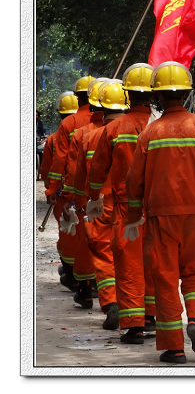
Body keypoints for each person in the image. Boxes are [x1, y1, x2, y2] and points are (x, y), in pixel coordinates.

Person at [125, 61, 195, 364]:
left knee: (165, 279)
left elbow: (134, 181)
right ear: (187, 94)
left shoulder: (150, 133)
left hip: (161, 219)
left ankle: (174, 348)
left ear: (157, 97)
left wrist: (133, 215)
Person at [88, 63, 157, 344]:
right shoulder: (160, 125)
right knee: (154, 263)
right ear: (153, 95)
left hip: (126, 210)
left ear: (127, 94)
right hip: (157, 209)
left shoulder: (115, 128)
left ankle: (133, 326)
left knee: (128, 267)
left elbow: (97, 171)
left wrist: (93, 198)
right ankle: (152, 316)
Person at [61, 78, 118, 323]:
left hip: (94, 204)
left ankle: (105, 299)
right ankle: (143, 315)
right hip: (129, 205)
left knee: (99, 253)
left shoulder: (83, 134)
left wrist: (70, 199)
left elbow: (74, 173)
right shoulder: (134, 130)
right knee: (130, 256)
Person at [40, 91, 79, 291]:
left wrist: (51, 191)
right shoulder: (92, 129)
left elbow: (48, 169)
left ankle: (73, 274)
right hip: (87, 192)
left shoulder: (55, 138)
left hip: (63, 193)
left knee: (66, 233)